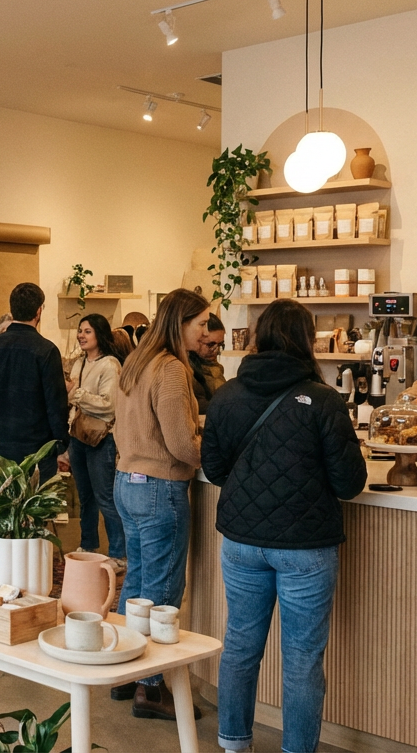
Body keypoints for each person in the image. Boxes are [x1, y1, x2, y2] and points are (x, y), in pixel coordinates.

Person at [200, 299, 367, 753]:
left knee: (239, 646)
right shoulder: (324, 400)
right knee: (301, 661)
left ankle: (233, 743)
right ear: (305, 339)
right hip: (305, 548)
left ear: (259, 338)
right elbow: (350, 483)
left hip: (240, 540)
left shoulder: (227, 394)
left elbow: (214, 470)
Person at [110, 288, 210, 720]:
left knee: (137, 583)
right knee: (163, 588)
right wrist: (212, 451)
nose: (207, 332)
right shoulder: (170, 368)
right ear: (180, 322)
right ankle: (150, 687)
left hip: (126, 481)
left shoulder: (135, 362)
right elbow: (181, 444)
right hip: (159, 486)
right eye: (202, 323)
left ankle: (123, 671)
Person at [0, 283, 68, 482]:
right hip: (37, 449)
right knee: (35, 509)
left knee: (4, 507)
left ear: (12, 309)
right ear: (39, 311)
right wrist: (60, 442)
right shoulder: (46, 350)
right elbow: (56, 404)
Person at [63, 314, 127, 569]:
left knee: (105, 496)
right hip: (78, 436)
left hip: (101, 439)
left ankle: (119, 553)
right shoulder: (78, 363)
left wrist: (75, 393)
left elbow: (109, 406)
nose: (81, 335)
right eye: (80, 331)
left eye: (87, 331)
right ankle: (88, 543)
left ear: (99, 334)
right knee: (85, 496)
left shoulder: (110, 365)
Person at [189, 313, 228, 409]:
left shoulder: (214, 366)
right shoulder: (186, 370)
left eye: (220, 344)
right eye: (210, 344)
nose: (216, 350)